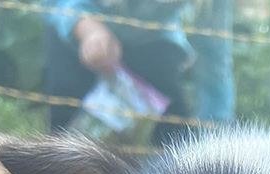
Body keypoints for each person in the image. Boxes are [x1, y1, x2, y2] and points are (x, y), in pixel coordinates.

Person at [42, 0, 235, 146]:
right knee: (65, 130)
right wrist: (86, 27)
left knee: (175, 130)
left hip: (153, 38)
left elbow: (213, 57)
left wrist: (216, 142)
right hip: (74, 30)